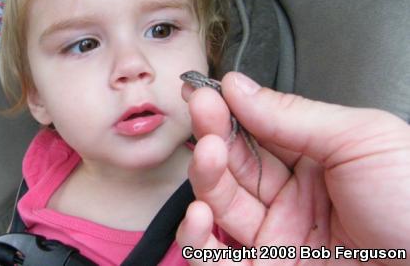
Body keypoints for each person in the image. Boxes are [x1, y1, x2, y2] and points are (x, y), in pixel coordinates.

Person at [0, 0, 232, 265]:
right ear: (38, 97)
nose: (131, 66)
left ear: (206, 52)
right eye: (85, 45)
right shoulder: (48, 162)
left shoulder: (230, 202)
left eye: (161, 30)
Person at [176, 72, 410, 265]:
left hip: (240, 119)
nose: (187, 80)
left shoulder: (209, 89)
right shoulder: (206, 91)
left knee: (238, 143)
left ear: (198, 80)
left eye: (189, 78)